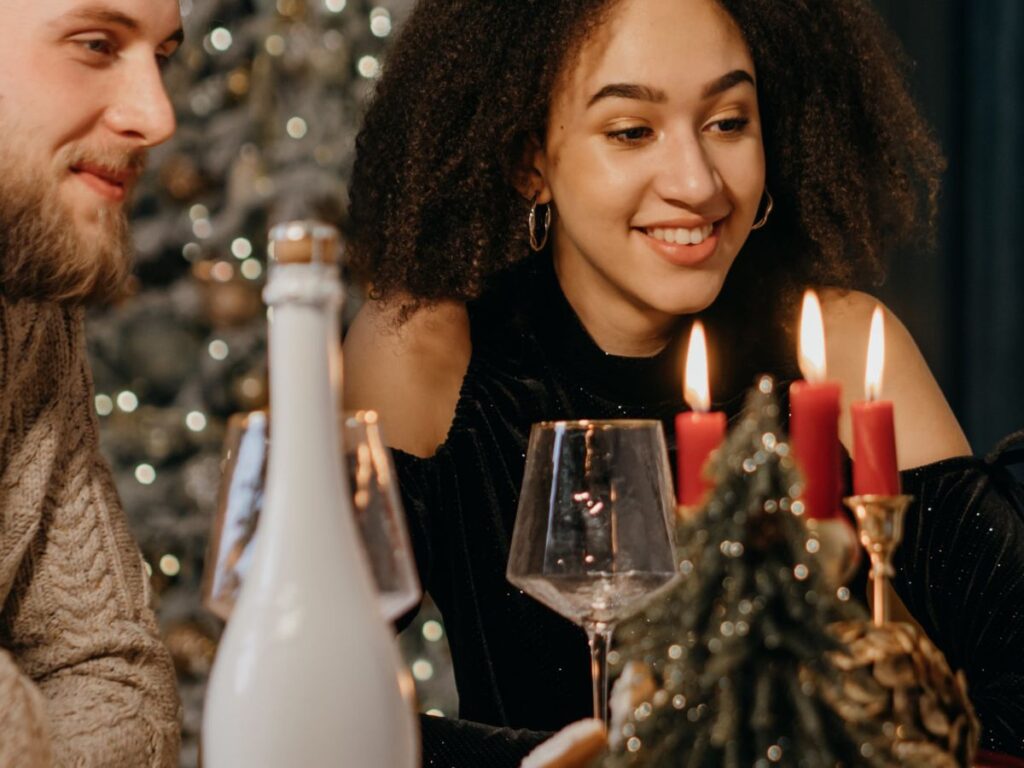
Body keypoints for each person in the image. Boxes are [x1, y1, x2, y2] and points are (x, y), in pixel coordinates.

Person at [344, 0, 1024, 764]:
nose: (698, 184)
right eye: (632, 131)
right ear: (528, 161)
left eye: (729, 122)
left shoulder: (836, 347)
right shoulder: (431, 351)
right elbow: (320, 701)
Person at [0, 0, 183, 765]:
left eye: (163, 56)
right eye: (96, 44)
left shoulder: (27, 304)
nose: (158, 115)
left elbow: (107, 665)